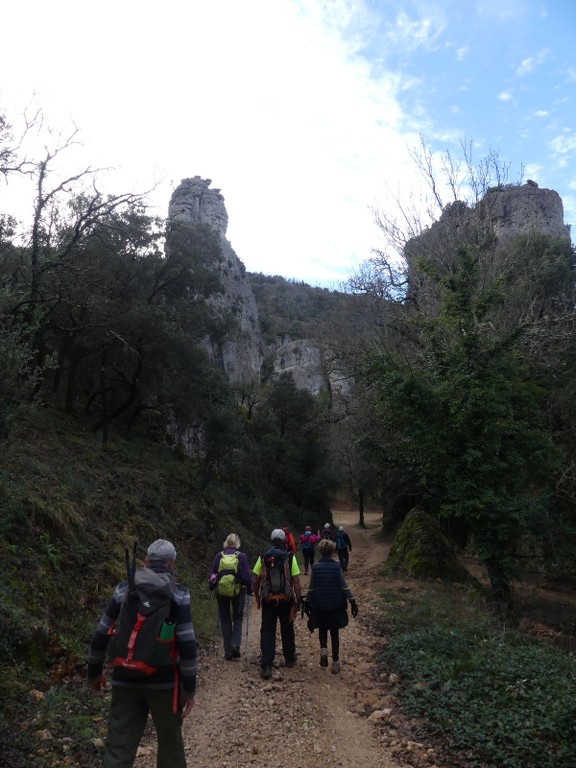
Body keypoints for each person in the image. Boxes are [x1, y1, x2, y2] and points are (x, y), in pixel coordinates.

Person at [87, 539, 197, 768]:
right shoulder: (178, 595)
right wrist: (188, 689)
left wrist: (94, 674)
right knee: (170, 747)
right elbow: (187, 646)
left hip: (124, 679)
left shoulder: (124, 589)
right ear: (171, 564)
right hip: (164, 684)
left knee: (118, 748)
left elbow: (100, 635)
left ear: (146, 561)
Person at [252, 528, 302, 679]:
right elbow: (296, 581)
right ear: (284, 540)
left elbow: (255, 579)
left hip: (268, 600)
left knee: (267, 629)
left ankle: (266, 665)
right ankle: (289, 659)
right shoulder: (289, 556)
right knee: (287, 628)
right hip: (285, 599)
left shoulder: (263, 556)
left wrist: (257, 596)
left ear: (271, 539)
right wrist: (297, 599)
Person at [305, 538, 358, 674]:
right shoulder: (336, 567)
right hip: (335, 606)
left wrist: (307, 602)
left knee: (322, 629)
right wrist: (352, 601)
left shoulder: (315, 568)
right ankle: (335, 662)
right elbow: (344, 586)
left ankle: (323, 649)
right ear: (332, 551)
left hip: (320, 605)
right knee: (334, 633)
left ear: (321, 551)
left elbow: (311, 588)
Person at [209, 533, 253, 660]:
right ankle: (235, 646)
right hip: (238, 592)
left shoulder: (219, 556)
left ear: (226, 543)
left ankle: (227, 651)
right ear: (237, 543)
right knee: (238, 617)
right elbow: (246, 577)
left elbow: (213, 574)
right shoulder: (242, 557)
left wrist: (212, 586)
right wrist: (249, 590)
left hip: (221, 592)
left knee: (225, 618)